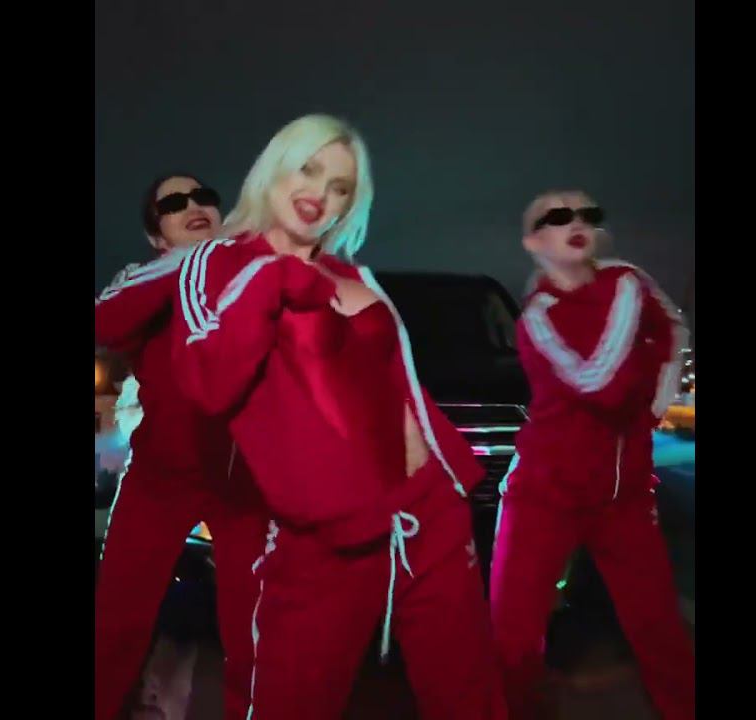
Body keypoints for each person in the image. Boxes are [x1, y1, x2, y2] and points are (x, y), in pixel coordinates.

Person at [168, 114, 505, 719]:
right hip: (326, 538)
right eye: (309, 168)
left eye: (341, 186)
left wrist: (447, 481)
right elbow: (207, 382)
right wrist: (274, 275)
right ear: (274, 168)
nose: (321, 192)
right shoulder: (218, 266)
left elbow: (397, 385)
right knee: (293, 702)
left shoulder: (353, 276)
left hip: (429, 512)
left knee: (469, 697)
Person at [488, 189, 695, 719]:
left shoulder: (629, 279)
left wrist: (655, 407)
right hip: (543, 494)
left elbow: (674, 329)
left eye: (587, 214)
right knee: (513, 635)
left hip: (623, 496)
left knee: (658, 627)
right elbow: (595, 383)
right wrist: (625, 298)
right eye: (558, 217)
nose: (576, 222)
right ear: (533, 242)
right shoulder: (540, 316)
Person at [95, 174, 269, 720]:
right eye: (174, 204)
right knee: (118, 617)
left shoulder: (253, 272)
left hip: (244, 480)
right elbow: (106, 320)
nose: (194, 206)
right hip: (160, 475)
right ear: (157, 236)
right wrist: (194, 261)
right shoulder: (141, 278)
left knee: (254, 625)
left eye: (204, 197)